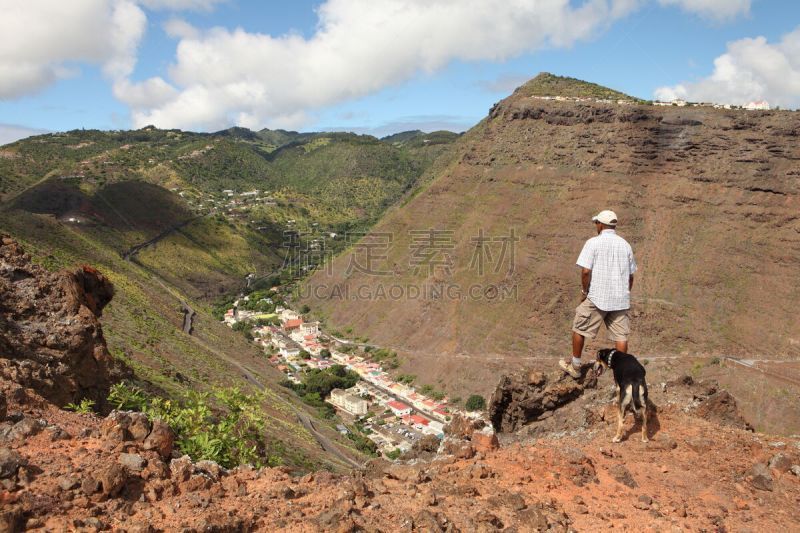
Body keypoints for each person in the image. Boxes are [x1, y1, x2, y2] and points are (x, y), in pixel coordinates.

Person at [560, 210, 637, 379]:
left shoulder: (593, 243)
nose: (596, 225)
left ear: (600, 225)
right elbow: (631, 276)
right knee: (621, 336)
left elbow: (586, 271)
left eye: (596, 223)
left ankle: (575, 365)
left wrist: (584, 291)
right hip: (620, 299)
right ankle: (620, 374)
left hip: (597, 297)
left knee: (579, 328)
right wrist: (625, 293)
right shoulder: (625, 245)